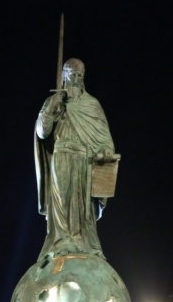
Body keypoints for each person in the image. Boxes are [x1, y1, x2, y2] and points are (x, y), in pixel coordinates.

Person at [34, 58, 117, 261]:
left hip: (84, 161)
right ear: (64, 75)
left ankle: (84, 244)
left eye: (80, 75)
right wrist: (53, 106)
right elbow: (42, 133)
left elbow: (105, 139)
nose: (76, 79)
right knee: (62, 201)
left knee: (82, 208)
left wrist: (105, 150)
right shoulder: (54, 102)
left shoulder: (91, 104)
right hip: (61, 156)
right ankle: (61, 241)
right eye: (72, 74)